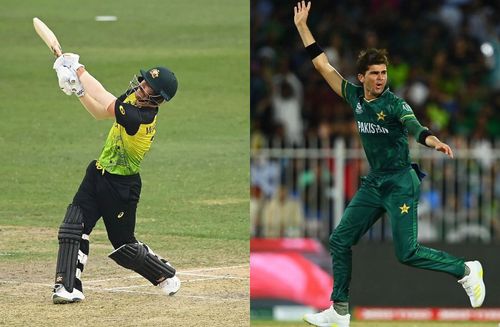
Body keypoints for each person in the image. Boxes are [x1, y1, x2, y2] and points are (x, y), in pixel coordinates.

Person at [293, 2, 486, 326]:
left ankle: (466, 270)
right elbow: (323, 66)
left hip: (400, 182)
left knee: (406, 252)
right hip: (375, 182)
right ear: (362, 77)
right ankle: (339, 311)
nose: (381, 78)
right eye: (375, 73)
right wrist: (302, 26)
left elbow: (415, 127)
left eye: (384, 73)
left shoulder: (396, 104)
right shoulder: (354, 98)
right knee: (339, 240)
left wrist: (432, 140)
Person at [51, 53, 181, 304]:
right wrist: (78, 80)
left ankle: (164, 274)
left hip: (121, 187)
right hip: (98, 174)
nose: (141, 88)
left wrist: (78, 81)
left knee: (123, 245)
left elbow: (103, 104)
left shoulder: (139, 118)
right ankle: (67, 288)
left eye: (148, 88)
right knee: (73, 227)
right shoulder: (135, 99)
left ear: (158, 99)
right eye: (143, 82)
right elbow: (103, 108)